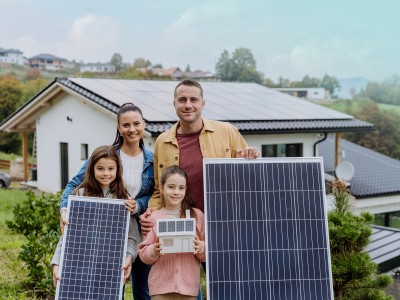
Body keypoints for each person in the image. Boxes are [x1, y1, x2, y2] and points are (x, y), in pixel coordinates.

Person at [59, 103, 154, 300]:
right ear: (119, 127)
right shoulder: (107, 156)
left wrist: (138, 206)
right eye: (126, 125)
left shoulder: (153, 160)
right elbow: (74, 185)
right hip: (108, 231)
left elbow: (157, 194)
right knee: (110, 286)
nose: (132, 129)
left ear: (144, 124)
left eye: (136, 123)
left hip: (142, 231)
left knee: (144, 290)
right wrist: (64, 209)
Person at [141, 79, 259, 225]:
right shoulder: (162, 141)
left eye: (194, 100)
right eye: (182, 100)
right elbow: (159, 190)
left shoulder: (228, 132)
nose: (188, 105)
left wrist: (250, 158)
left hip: (223, 219)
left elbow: (248, 180)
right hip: (180, 225)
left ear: (202, 104)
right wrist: (151, 212)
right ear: (174, 104)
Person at [51, 145, 139, 288]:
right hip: (80, 263)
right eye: (100, 168)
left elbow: (131, 236)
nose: (106, 173)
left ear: (118, 170)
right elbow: (68, 236)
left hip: (111, 266)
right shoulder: (80, 195)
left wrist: (129, 256)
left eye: (111, 169)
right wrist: (57, 263)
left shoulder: (124, 199)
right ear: (92, 169)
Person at [138, 165, 205, 300]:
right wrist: (154, 250)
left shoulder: (196, 216)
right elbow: (144, 255)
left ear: (186, 190)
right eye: (171, 187)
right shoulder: (153, 218)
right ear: (161, 188)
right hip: (159, 289)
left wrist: (201, 248)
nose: (176, 192)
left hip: (188, 289)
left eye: (181, 188)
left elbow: (209, 253)